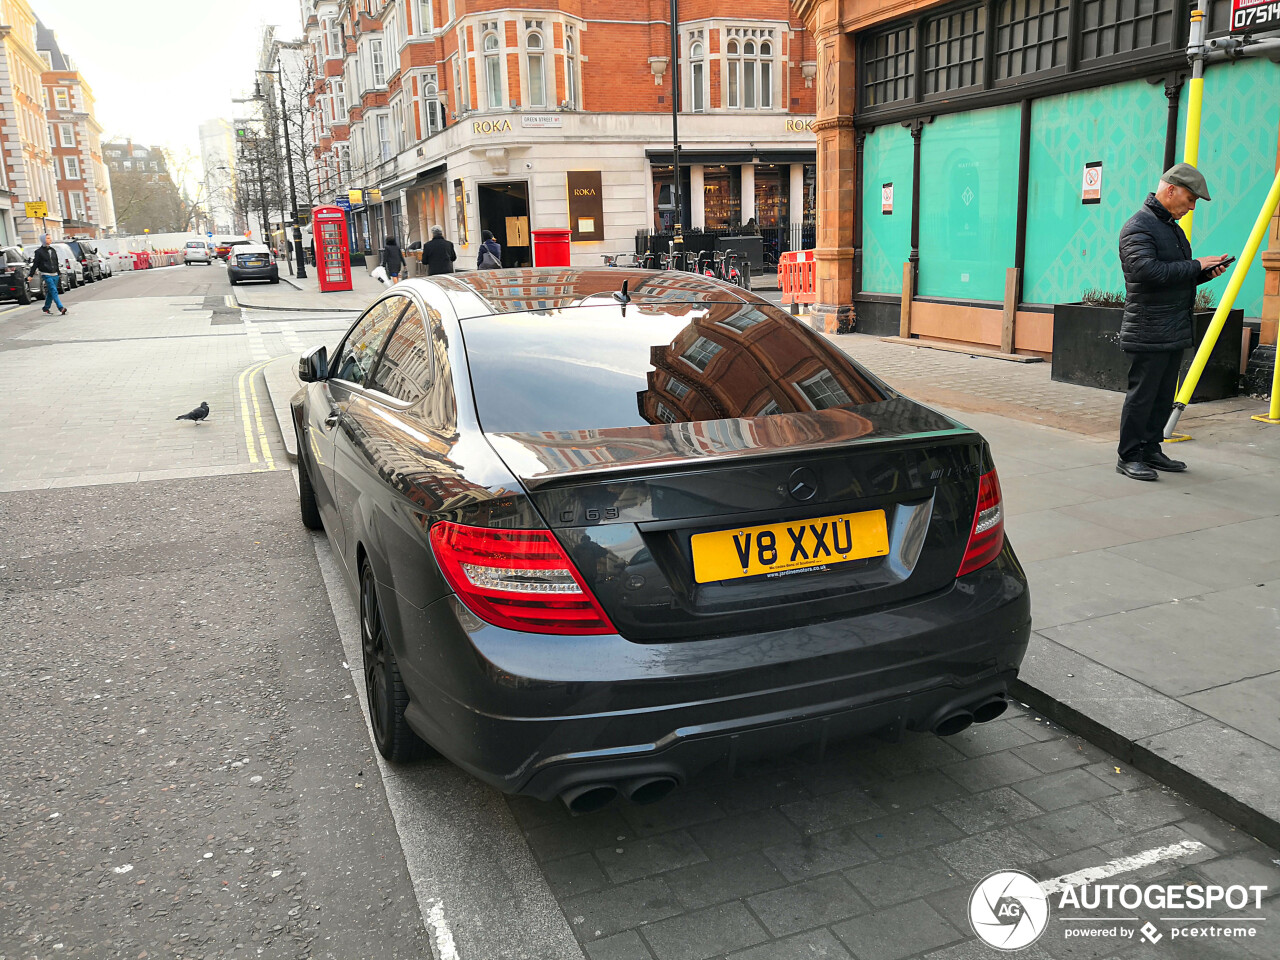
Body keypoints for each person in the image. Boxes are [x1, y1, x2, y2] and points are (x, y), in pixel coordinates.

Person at [1115, 163, 1230, 481]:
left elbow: (1173, 277)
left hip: (1171, 326)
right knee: (1143, 394)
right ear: (1170, 190)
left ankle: (1151, 448)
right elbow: (1146, 272)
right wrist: (1195, 265)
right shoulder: (1138, 226)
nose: (1192, 207)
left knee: (1163, 394)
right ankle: (1129, 455)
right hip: (1148, 327)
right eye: (1190, 199)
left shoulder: (1171, 228)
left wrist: (1203, 272)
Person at [33, 234, 66, 315]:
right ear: (43, 240)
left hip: (55, 274)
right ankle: (61, 308)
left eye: (50, 238)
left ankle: (46, 307)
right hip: (46, 274)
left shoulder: (53, 250)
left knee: (51, 292)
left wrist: (58, 273)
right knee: (54, 291)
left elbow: (56, 262)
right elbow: (35, 264)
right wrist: (30, 275)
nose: (50, 239)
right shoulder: (38, 252)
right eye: (47, 238)